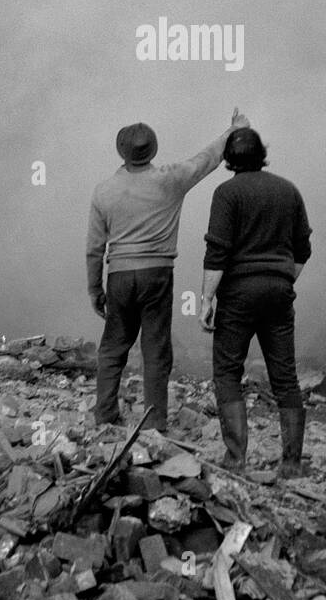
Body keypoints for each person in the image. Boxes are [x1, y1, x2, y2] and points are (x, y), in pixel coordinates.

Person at [87, 108, 249, 432]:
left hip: (118, 275)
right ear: (153, 150)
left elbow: (94, 248)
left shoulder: (103, 191)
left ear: (121, 152)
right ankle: (154, 421)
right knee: (156, 349)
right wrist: (234, 131)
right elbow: (206, 159)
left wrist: (95, 290)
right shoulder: (170, 180)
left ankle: (104, 415)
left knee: (113, 346)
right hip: (157, 276)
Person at [199, 127, 311, 477]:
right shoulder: (288, 190)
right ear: (262, 153)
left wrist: (206, 299)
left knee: (228, 372)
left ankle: (235, 460)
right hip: (279, 292)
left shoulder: (227, 193)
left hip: (238, 296)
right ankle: (291, 464)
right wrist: (281, 279)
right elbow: (303, 248)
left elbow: (217, 251)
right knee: (285, 378)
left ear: (229, 160)